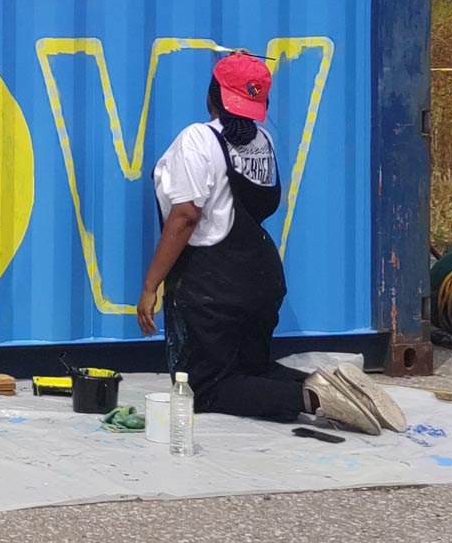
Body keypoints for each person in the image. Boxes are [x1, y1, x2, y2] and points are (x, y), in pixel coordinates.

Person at [137, 51, 406, 435]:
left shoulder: (198, 139)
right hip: (262, 279)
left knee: (203, 388)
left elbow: (185, 217)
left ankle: (311, 398)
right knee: (251, 369)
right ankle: (337, 385)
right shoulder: (262, 140)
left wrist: (151, 285)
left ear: (212, 94)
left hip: (215, 286)